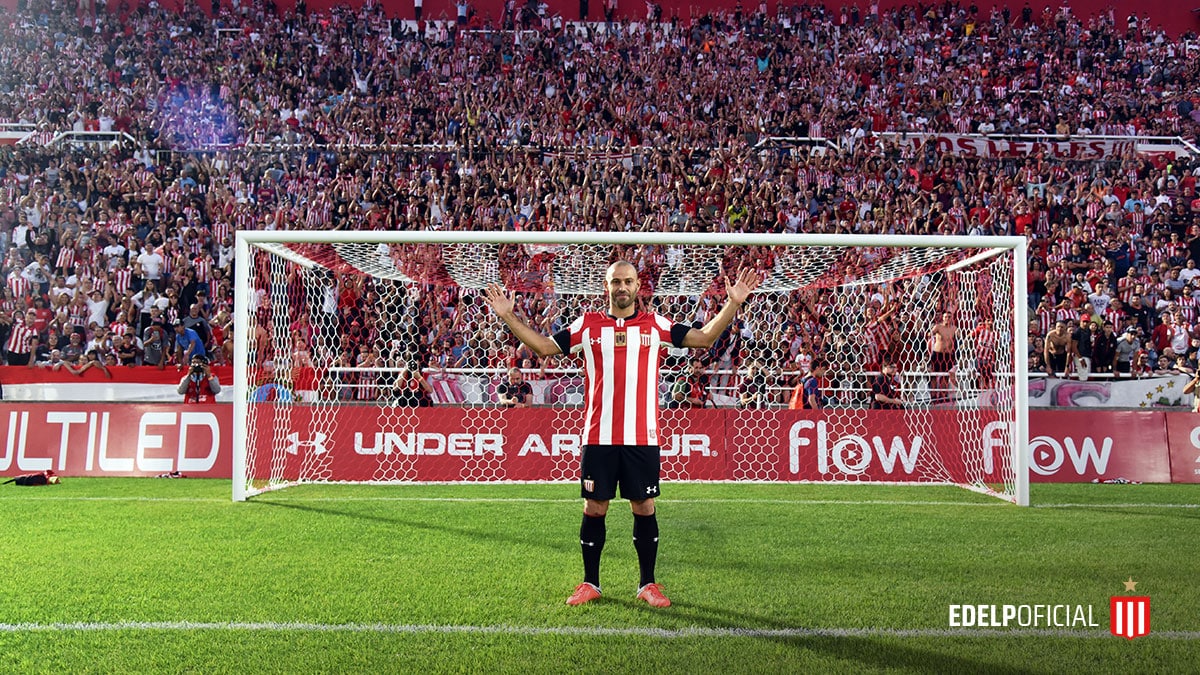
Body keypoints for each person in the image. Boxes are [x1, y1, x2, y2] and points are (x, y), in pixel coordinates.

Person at [484, 261, 760, 608]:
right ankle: (590, 583)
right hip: (598, 436)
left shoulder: (655, 324)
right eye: (616, 281)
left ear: (638, 285)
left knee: (644, 506)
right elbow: (543, 348)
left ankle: (648, 584)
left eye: (628, 281)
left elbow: (703, 338)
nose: (622, 287)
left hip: (641, 437)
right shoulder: (587, 325)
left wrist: (733, 302)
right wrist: (508, 316)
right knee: (594, 507)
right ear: (607, 286)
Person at [928, 310, 956, 398]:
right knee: (933, 376)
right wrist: (932, 332)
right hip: (937, 354)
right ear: (942, 318)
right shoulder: (938, 327)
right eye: (945, 317)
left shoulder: (954, 329)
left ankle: (943, 396)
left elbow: (960, 336)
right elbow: (929, 334)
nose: (947, 319)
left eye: (949, 317)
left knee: (945, 377)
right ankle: (933, 396)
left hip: (948, 355)